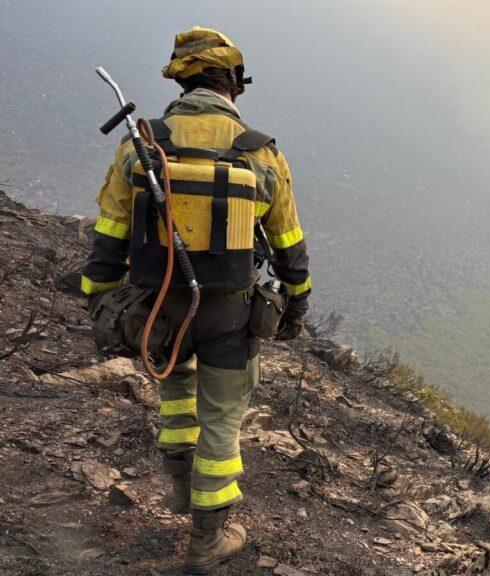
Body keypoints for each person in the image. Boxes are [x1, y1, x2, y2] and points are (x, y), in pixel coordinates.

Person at [80, 27, 310, 574]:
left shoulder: (142, 143)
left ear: (181, 82)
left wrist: (98, 298)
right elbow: (289, 245)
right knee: (222, 421)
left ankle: (182, 492)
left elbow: (110, 234)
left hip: (160, 306)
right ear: (233, 83)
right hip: (231, 314)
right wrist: (296, 307)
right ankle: (208, 541)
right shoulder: (260, 152)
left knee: (177, 395)